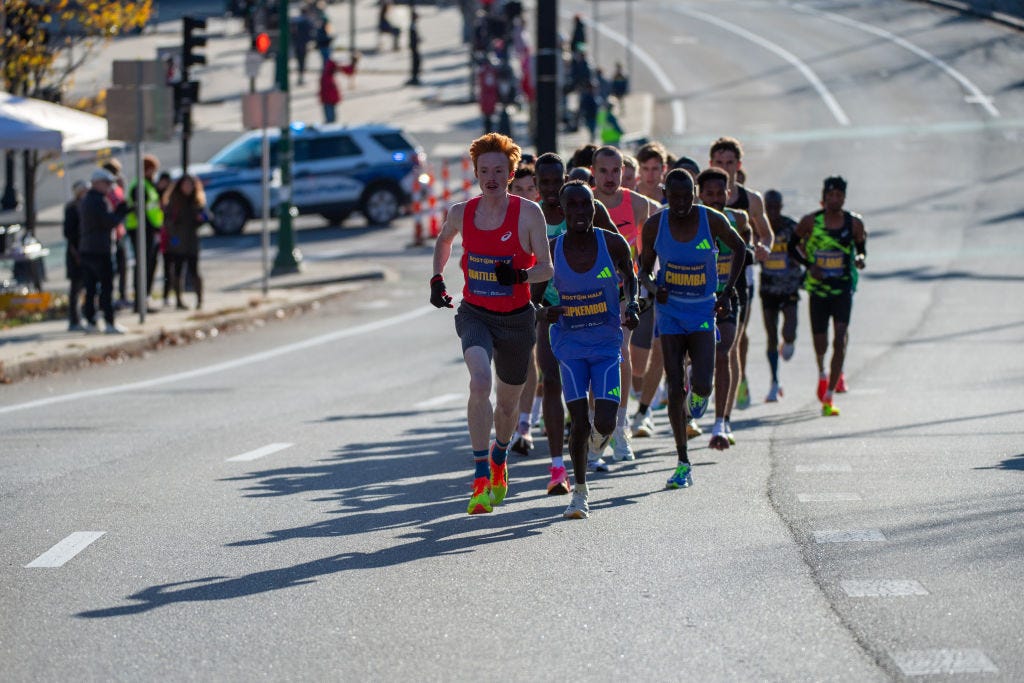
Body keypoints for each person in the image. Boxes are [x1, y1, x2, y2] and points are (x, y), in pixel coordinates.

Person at [429, 133, 553, 515]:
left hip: (516, 320)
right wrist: (437, 278)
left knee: (508, 404)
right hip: (476, 314)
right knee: (480, 381)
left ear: (512, 172)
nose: (492, 177)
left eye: (499, 170)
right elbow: (444, 240)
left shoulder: (529, 214)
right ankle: (481, 474)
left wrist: (517, 277)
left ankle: (500, 457)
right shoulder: (461, 212)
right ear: (476, 172)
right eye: (485, 170)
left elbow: (546, 268)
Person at [637, 169, 745, 488]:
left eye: (687, 196)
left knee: (702, 385)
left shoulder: (710, 220)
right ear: (665, 194)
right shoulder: (656, 225)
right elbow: (642, 272)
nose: (681, 202)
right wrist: (656, 288)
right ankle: (683, 460)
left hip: (701, 310)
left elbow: (740, 249)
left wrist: (726, 291)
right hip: (669, 312)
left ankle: (697, 398)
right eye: (675, 196)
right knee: (673, 384)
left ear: (695, 193)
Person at [542, 180, 639, 518]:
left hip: (606, 344)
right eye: (574, 207)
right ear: (564, 211)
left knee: (606, 421)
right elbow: (534, 292)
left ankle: (601, 442)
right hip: (570, 347)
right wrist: (544, 310)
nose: (581, 212)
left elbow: (630, 276)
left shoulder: (611, 242)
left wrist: (634, 304)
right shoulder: (552, 248)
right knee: (580, 422)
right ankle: (580, 493)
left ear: (594, 207)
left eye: (587, 205)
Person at [527, 152, 620, 490]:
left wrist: (624, 293)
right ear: (535, 184)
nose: (551, 189)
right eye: (544, 182)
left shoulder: (581, 206)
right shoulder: (530, 216)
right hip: (553, 312)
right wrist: (537, 308)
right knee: (551, 381)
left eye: (557, 180)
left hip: (594, 314)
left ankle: (595, 440)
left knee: (596, 387)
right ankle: (557, 467)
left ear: (565, 178)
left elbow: (616, 248)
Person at [589, 145, 651, 464]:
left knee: (622, 353)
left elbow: (646, 247)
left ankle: (620, 427)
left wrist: (646, 279)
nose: (611, 177)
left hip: (624, 291)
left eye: (616, 171)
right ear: (593, 172)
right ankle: (594, 431)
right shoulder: (583, 202)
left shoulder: (638, 204)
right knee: (592, 361)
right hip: (587, 294)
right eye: (604, 171)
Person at [788, 176, 867, 416]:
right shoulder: (811, 222)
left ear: (844, 197)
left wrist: (860, 259)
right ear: (824, 197)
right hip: (818, 290)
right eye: (831, 195)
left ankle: (829, 396)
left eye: (839, 196)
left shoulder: (853, 223)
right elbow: (793, 246)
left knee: (840, 338)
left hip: (842, 289)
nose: (835, 200)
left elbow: (861, 247)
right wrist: (809, 265)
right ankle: (822, 371)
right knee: (821, 342)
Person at [708, 137, 774, 409]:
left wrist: (763, 248)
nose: (725, 167)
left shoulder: (751, 199)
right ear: (711, 164)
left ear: (739, 164)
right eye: (719, 162)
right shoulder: (705, 196)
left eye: (730, 162)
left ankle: (737, 384)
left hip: (740, 277)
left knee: (734, 337)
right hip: (706, 277)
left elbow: (767, 234)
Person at [697, 166, 752, 449]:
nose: (716, 198)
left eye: (721, 193)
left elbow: (747, 246)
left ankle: (721, 422)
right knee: (691, 358)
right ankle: (695, 399)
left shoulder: (738, 218)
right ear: (699, 195)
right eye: (710, 193)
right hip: (694, 298)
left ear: (729, 193)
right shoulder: (689, 221)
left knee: (724, 352)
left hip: (728, 296)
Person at [759, 189, 804, 402]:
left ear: (781, 207)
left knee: (790, 330)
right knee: (770, 334)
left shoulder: (791, 227)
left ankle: (788, 341)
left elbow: (804, 249)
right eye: (769, 208)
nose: (773, 212)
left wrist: (801, 261)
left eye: (776, 207)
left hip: (789, 287)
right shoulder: (759, 227)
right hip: (768, 288)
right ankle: (774, 381)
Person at [79, 169, 130, 335]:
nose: (109, 187)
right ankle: (109, 322)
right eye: (107, 183)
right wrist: (121, 212)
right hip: (100, 250)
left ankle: (92, 320)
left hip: (88, 249)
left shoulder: (89, 200)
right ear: (97, 183)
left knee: (91, 288)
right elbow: (108, 222)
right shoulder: (97, 201)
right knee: (106, 287)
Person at [125, 154, 165, 313]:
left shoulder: (148, 184)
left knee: (150, 264)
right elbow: (141, 211)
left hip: (149, 229)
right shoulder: (140, 185)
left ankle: (144, 299)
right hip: (141, 230)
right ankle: (140, 302)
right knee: (143, 265)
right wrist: (153, 229)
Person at [162, 174, 207, 311]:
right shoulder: (173, 202)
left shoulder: (197, 201)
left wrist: (201, 218)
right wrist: (173, 237)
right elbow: (167, 221)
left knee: (194, 271)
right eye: (186, 184)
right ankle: (178, 300)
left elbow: (206, 216)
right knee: (177, 271)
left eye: (190, 185)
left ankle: (199, 300)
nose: (188, 187)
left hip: (192, 240)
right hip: (177, 240)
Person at [101, 159, 129, 310]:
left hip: (120, 232)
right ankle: (110, 299)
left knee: (123, 267)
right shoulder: (106, 190)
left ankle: (122, 295)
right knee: (113, 269)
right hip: (110, 235)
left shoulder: (117, 187)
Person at [63, 179, 88, 332]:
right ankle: (74, 319)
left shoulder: (86, 205)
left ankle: (84, 315)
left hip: (86, 250)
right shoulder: (72, 208)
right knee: (76, 287)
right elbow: (68, 233)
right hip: (76, 252)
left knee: (87, 286)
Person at [319, 52, 358, 124]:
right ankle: (330, 126)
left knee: (330, 115)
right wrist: (352, 65)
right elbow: (346, 70)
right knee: (331, 117)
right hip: (329, 94)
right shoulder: (329, 72)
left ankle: (330, 125)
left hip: (328, 94)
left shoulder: (328, 70)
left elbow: (345, 70)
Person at [292, 8, 314, 85]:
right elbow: (311, 32)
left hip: (297, 44)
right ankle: (301, 77)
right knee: (302, 62)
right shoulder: (306, 22)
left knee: (299, 61)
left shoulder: (295, 21)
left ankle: (300, 77)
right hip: (303, 44)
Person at [406, 9, 421, 85]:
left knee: (416, 62)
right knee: (416, 62)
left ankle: (415, 77)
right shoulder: (412, 26)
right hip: (414, 48)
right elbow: (413, 37)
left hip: (414, 47)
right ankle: (414, 77)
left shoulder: (413, 25)